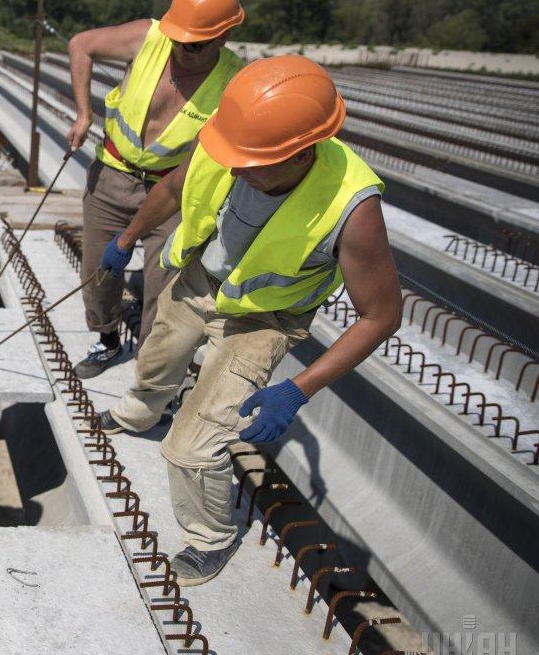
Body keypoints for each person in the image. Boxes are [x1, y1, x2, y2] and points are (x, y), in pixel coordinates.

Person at [94, 55, 402, 586]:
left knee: (193, 445)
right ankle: (139, 412)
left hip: (264, 319)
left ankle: (210, 537)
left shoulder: (353, 207)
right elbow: (170, 189)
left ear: (300, 151)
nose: (235, 168)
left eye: (252, 164)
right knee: (158, 356)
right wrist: (124, 241)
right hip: (200, 281)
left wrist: (299, 389)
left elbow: (382, 315)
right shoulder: (234, 137)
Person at [66, 0, 246, 378]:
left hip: (173, 192)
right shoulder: (148, 37)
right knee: (98, 269)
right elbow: (80, 44)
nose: (182, 49)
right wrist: (84, 113)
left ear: (224, 36)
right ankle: (107, 338)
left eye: (195, 44)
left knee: (162, 288)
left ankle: (151, 372)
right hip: (112, 175)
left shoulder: (234, 83)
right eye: (178, 37)